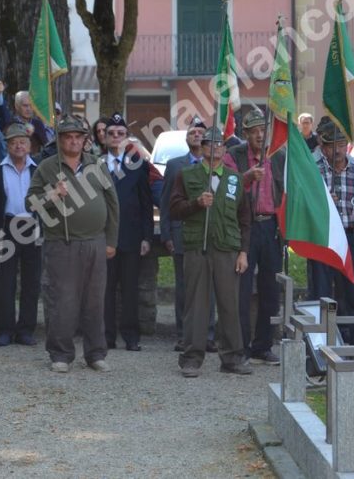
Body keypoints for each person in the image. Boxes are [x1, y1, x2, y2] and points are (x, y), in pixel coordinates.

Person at [27, 115, 120, 373]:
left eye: (78, 137)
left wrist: (111, 240)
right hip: (62, 244)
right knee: (62, 301)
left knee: (95, 301)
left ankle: (95, 353)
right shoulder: (47, 167)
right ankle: (61, 354)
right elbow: (30, 203)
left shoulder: (96, 165)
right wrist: (53, 194)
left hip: (96, 242)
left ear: (85, 140)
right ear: (59, 140)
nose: (74, 141)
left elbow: (113, 203)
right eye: (68, 137)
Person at [169, 126, 252, 377]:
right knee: (196, 304)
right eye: (209, 144)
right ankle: (192, 358)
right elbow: (173, 209)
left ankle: (232, 358)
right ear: (202, 148)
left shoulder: (235, 178)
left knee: (229, 304)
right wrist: (196, 204)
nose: (214, 148)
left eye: (219, 144)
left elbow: (245, 219)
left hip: (228, 249)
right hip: (198, 249)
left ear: (225, 149)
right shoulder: (187, 175)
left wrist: (243, 252)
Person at [311, 117, 354, 345]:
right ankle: (321, 345)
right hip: (323, 237)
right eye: (332, 145)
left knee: (352, 292)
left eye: (341, 145)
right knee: (321, 293)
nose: (337, 150)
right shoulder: (314, 171)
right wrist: (321, 202)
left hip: (352, 238)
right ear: (323, 147)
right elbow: (302, 206)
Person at [224, 109, 285, 364]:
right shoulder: (234, 156)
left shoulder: (278, 156)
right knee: (242, 289)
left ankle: (263, 344)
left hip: (271, 228)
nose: (260, 134)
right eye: (255, 131)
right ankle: (241, 347)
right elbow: (227, 188)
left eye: (263, 129)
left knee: (271, 290)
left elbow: (287, 189)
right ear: (245, 134)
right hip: (244, 227)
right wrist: (246, 177)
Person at [161, 118, 217, 353]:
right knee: (185, 287)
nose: (196, 134)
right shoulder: (175, 166)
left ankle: (208, 335)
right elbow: (166, 203)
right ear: (186, 138)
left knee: (209, 286)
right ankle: (184, 335)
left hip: (211, 234)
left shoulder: (215, 164)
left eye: (200, 132)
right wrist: (166, 235)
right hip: (181, 233)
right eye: (192, 132)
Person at [101, 113, 155, 351]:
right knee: (105, 289)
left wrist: (146, 236)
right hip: (103, 236)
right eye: (111, 133)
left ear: (126, 137)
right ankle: (106, 336)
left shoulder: (137, 163)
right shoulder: (95, 164)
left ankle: (131, 336)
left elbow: (146, 203)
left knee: (130, 289)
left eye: (120, 134)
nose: (115, 137)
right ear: (103, 136)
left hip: (131, 235)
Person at [0, 123, 41, 347]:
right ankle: (6, 330)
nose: (18, 145)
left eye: (22, 142)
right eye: (13, 142)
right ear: (7, 146)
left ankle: (26, 330)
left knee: (32, 281)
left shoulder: (38, 170)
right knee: (6, 282)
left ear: (29, 145)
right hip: (7, 226)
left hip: (33, 225)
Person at [12, 90, 54, 157]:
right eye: (25, 106)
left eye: (31, 106)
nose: (28, 109)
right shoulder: (11, 123)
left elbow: (46, 145)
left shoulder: (38, 124)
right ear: (17, 106)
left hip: (35, 161)